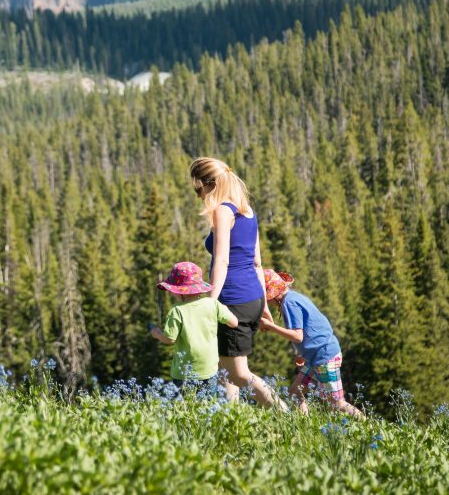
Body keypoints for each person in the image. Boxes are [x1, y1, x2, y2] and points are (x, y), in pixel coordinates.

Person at [190, 156, 285, 408]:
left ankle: (288, 417)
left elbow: (221, 261)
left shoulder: (222, 211)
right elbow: (257, 262)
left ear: (211, 184)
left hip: (233, 300)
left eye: (198, 187)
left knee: (239, 373)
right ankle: (230, 417)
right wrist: (263, 303)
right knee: (226, 367)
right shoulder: (246, 209)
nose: (197, 194)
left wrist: (209, 304)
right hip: (252, 298)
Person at [259, 269, 365, 418]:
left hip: (324, 357)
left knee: (337, 404)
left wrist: (271, 326)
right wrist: (302, 353)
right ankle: (305, 425)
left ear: (272, 294)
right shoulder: (293, 297)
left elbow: (298, 336)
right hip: (315, 355)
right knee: (295, 392)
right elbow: (312, 329)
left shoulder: (289, 304)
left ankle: (369, 426)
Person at [149, 261, 238, 392]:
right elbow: (234, 322)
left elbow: (170, 339)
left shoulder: (176, 310)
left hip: (184, 371)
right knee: (207, 403)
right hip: (210, 368)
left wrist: (156, 334)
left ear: (181, 292)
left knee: (186, 406)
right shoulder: (213, 304)